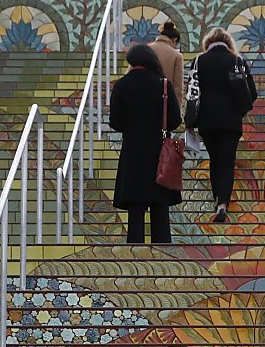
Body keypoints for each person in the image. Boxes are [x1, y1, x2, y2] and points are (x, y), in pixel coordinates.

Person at [109, 44, 183, 244]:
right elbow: (175, 120)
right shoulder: (163, 85)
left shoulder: (121, 85)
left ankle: (136, 253)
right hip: (160, 152)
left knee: (136, 208)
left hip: (133, 152)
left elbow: (115, 122)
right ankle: (163, 252)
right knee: (160, 208)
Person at [190, 29, 256, 223]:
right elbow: (251, 92)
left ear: (208, 42)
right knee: (227, 162)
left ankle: (216, 198)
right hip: (230, 120)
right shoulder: (238, 61)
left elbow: (192, 92)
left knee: (214, 160)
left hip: (207, 120)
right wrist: (239, 110)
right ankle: (222, 204)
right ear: (228, 43)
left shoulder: (198, 61)